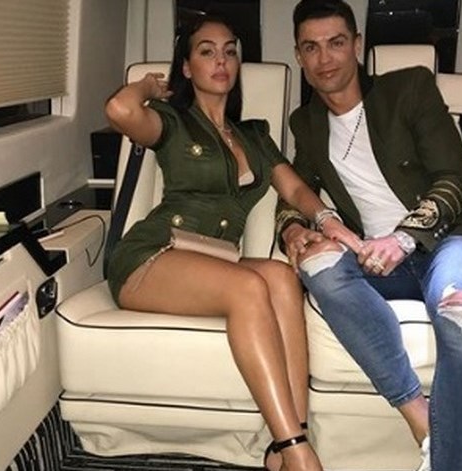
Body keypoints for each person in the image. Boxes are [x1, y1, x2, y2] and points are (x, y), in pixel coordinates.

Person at [104, 14, 360, 471]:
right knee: (248, 287)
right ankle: (297, 452)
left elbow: (294, 188)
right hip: (153, 255)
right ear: (187, 67)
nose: (221, 61)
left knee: (280, 276)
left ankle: (288, 442)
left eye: (229, 51)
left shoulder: (253, 135)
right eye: (206, 52)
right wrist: (147, 86)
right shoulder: (172, 122)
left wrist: (325, 219)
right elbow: (120, 111)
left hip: (213, 258)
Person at [276, 1, 462, 470]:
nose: (325, 58)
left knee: (460, 316)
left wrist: (402, 239)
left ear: (357, 45)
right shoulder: (307, 123)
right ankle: (419, 417)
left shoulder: (409, 89)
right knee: (317, 265)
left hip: (454, 241)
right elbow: (296, 192)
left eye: (336, 43)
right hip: (376, 261)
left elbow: (454, 181)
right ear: (299, 56)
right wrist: (294, 228)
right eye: (311, 47)